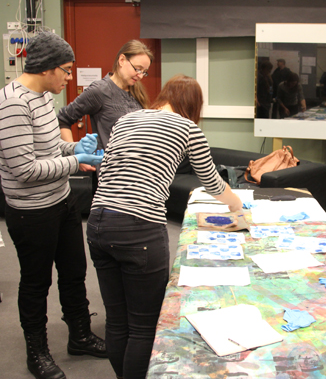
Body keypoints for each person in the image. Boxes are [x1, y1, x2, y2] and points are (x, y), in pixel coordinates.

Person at [86, 74, 243, 379]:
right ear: (194, 105)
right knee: (143, 326)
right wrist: (236, 204)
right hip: (140, 227)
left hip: (98, 223)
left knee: (117, 321)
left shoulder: (126, 120)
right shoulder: (188, 128)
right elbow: (211, 181)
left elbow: (107, 168)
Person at [0, 31, 106, 379]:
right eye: (66, 70)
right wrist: (76, 162)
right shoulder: (12, 104)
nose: (69, 77)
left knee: (74, 272)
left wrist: (73, 148)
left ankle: (80, 336)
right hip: (31, 211)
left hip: (61, 201)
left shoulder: (44, 97)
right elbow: (25, 170)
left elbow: (48, 150)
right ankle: (37, 353)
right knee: (36, 283)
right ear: (47, 68)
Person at [57, 39, 153, 173]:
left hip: (137, 170)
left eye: (144, 72)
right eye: (137, 69)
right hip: (111, 174)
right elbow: (63, 120)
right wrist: (77, 157)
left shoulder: (137, 92)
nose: (140, 75)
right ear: (122, 60)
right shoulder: (100, 91)